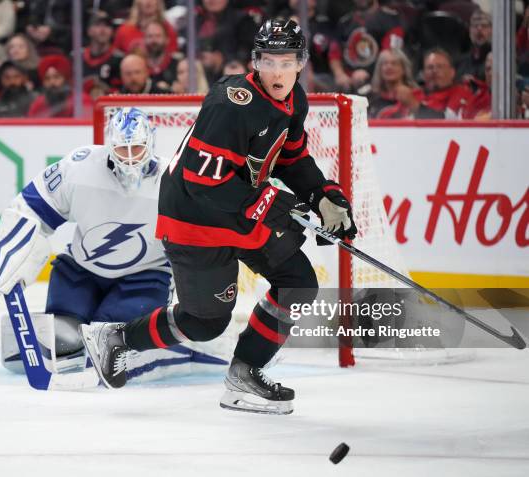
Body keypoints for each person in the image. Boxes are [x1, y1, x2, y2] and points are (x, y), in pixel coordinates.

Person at [80, 19, 357, 415]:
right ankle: (118, 338)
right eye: (269, 60)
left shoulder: (295, 98)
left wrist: (322, 195)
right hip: (194, 216)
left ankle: (244, 375)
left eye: (287, 60)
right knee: (205, 323)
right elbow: (201, 182)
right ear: (255, 62)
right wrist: (272, 206)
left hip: (239, 206)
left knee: (297, 282)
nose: (278, 71)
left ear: (301, 63)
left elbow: (292, 157)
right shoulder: (231, 104)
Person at [0, 108, 226, 380]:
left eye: (136, 148)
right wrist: (9, 255)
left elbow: (199, 237)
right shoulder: (80, 167)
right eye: (122, 149)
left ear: (150, 144)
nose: (130, 158)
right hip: (80, 270)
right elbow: (31, 208)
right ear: (109, 146)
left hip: (145, 277)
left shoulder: (171, 182)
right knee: (63, 336)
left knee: (114, 337)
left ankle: (175, 353)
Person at [27, 54, 92, 118]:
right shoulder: (38, 104)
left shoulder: (82, 100)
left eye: (57, 77)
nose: (52, 82)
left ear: (65, 78)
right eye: (47, 78)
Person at [367, 48, 422, 119]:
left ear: (403, 69)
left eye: (394, 63)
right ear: (379, 70)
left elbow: (431, 119)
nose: (389, 67)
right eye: (385, 63)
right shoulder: (371, 98)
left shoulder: (416, 95)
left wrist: (413, 103)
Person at [418, 48, 473, 119]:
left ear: (452, 72)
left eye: (440, 66)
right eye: (430, 67)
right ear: (423, 74)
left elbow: (450, 121)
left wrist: (417, 107)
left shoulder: (462, 94)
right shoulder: (415, 96)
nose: (434, 71)